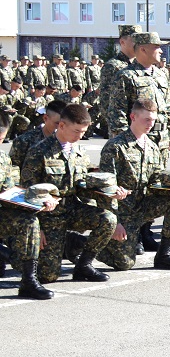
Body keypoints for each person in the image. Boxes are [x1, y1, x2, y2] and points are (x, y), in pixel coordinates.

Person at [20, 104, 124, 284]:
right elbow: (28, 192)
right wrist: (37, 228)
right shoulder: (39, 152)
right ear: (61, 126)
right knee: (48, 276)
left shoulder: (79, 152)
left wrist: (109, 193)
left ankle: (84, 265)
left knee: (108, 219)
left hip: (72, 209)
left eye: (83, 131)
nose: (80, 136)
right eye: (77, 131)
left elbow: (83, 185)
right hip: (48, 217)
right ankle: (66, 242)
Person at [98, 99, 170, 271]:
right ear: (133, 117)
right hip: (123, 212)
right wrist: (115, 223)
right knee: (124, 263)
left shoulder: (152, 147)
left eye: (153, 120)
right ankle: (80, 244)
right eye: (146, 120)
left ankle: (164, 255)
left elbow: (156, 182)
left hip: (143, 207)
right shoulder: (115, 147)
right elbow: (105, 189)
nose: (150, 124)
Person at [0, 112, 60, 300]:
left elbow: (9, 189)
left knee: (29, 221)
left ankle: (28, 280)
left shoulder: (2, 157)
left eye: (0, 139)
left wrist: (36, 202)